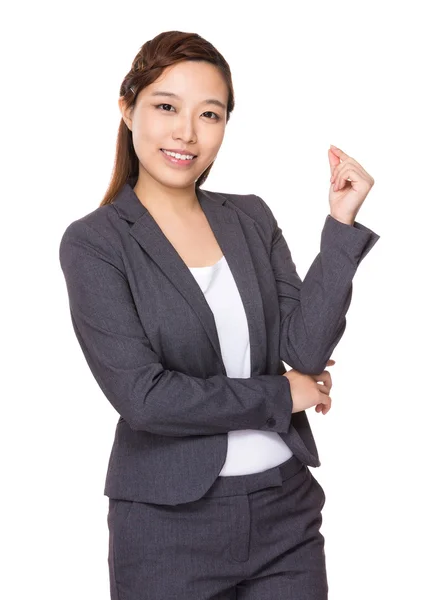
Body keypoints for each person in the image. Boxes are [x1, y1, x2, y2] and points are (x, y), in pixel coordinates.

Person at [59, 30, 379, 600]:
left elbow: (303, 351)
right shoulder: (95, 244)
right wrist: (283, 396)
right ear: (127, 110)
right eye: (165, 107)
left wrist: (341, 229)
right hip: (167, 525)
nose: (186, 132)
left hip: (286, 511)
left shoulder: (250, 217)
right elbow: (147, 399)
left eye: (210, 114)